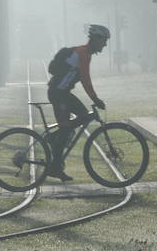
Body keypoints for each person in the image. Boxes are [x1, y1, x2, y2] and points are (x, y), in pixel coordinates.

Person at [45, 24, 110, 181]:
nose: (105, 44)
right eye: (104, 41)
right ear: (95, 39)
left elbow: (83, 79)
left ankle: (57, 138)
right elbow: (86, 81)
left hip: (64, 93)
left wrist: (94, 98)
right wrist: (96, 99)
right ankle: (55, 166)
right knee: (66, 128)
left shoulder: (86, 54)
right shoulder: (82, 53)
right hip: (57, 93)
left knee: (83, 115)